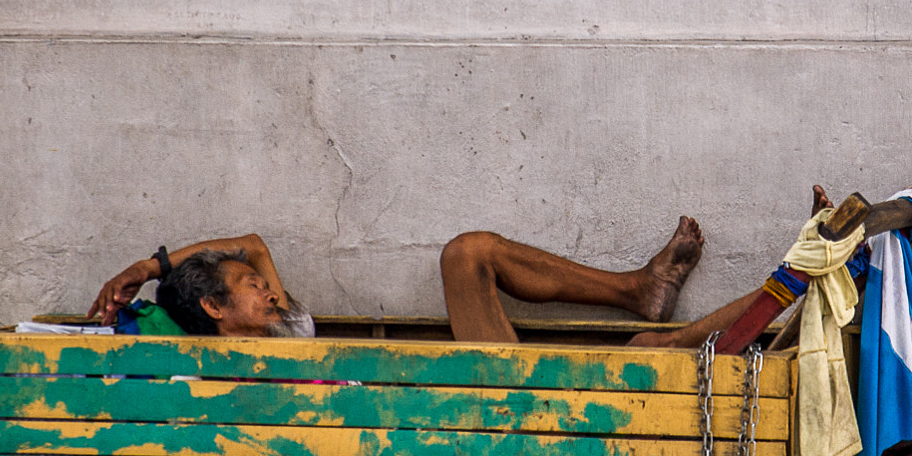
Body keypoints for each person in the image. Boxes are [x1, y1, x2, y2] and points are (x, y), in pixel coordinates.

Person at [83, 195, 837, 346]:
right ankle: (802, 274)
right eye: (244, 284)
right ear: (215, 310)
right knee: (646, 359)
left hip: (470, 380)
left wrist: (148, 265)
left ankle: (640, 290)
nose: (260, 278)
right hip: (475, 397)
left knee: (467, 250)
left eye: (258, 276)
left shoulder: (278, 311)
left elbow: (248, 235)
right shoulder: (225, 359)